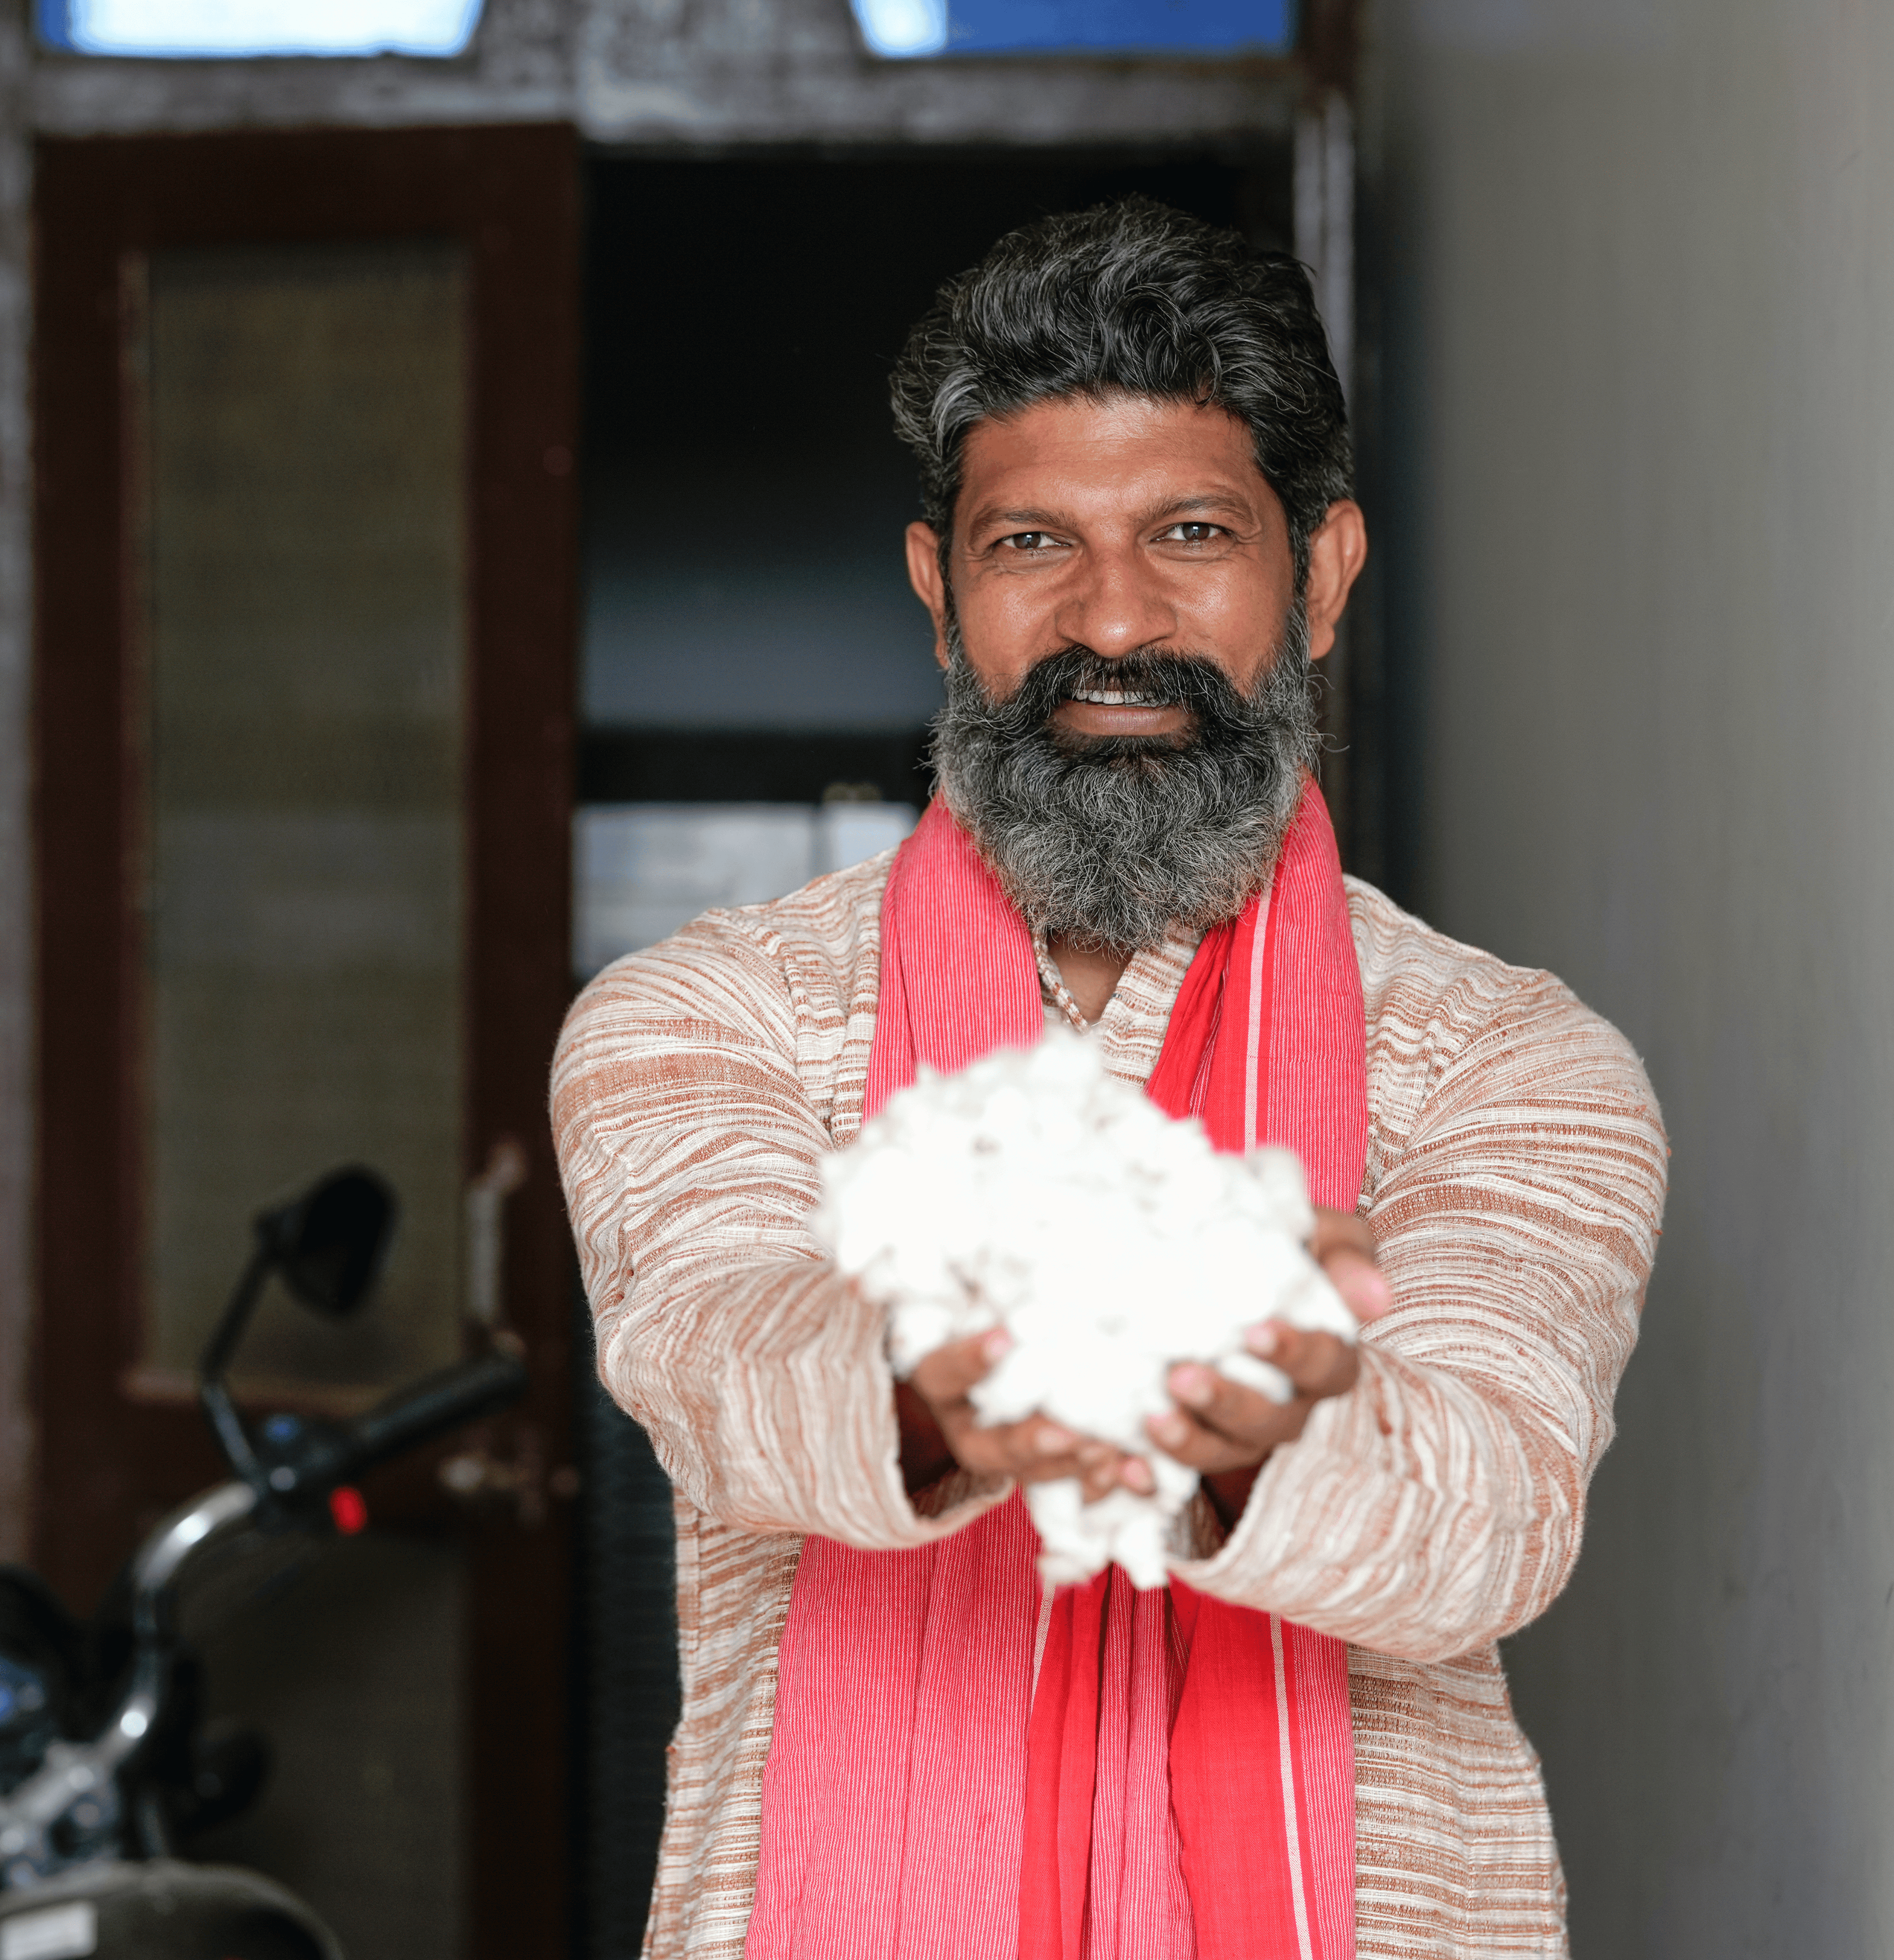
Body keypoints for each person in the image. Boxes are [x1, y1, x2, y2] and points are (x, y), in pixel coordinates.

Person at [550, 199, 1665, 1960]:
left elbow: (1491, 1514)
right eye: (1032, 546)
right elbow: (713, 1361)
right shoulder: (710, 1014)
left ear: (1323, 576)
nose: (1114, 619)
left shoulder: (1508, 1062)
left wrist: (1270, 1439)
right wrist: (935, 1379)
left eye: (1195, 532)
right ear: (939, 590)